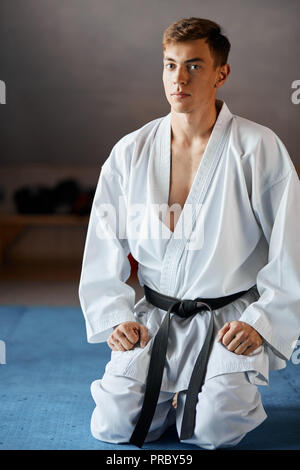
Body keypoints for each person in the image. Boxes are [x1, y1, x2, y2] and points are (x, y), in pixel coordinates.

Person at [78, 17, 300, 450]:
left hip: (227, 320)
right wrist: (117, 317)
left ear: (221, 73)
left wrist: (261, 322)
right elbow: (102, 247)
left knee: (212, 430)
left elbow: (292, 247)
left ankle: (203, 395)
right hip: (155, 318)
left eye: (194, 66)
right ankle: (170, 396)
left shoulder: (258, 148)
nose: (179, 78)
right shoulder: (130, 151)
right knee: (114, 427)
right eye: (170, 65)